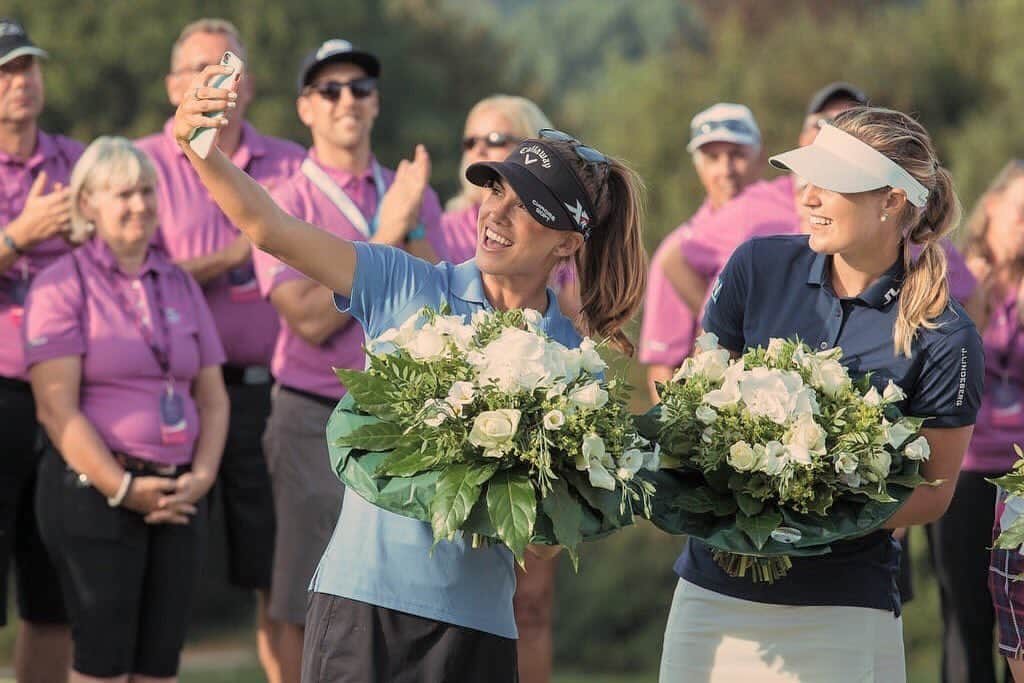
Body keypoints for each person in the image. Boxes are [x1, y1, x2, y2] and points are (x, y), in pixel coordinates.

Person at [171, 62, 646, 681]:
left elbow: (552, 529)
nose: (495, 212)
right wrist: (198, 149)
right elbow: (272, 230)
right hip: (362, 603)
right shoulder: (406, 285)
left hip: (480, 623)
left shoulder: (574, 361)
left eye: (526, 203)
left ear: (567, 242)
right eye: (495, 190)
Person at [659, 107, 984, 682]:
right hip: (713, 593)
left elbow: (933, 493)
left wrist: (812, 509)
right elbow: (696, 403)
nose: (806, 195)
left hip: (843, 604)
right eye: (806, 177)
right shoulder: (755, 266)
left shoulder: (947, 336)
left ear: (889, 200)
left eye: (831, 183)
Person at [248, 39, 444, 682]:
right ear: (305, 108)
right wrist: (387, 235)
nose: (346, 101)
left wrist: (409, 223)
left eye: (359, 87)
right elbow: (306, 318)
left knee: (402, 596)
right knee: (311, 597)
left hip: (404, 418)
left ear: (377, 102)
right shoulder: (283, 199)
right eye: (329, 90)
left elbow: (438, 307)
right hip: (312, 415)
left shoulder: (412, 190)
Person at [135, 19, 305, 682]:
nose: (218, 81)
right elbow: (137, 277)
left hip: (268, 391)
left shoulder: (291, 163)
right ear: (173, 85)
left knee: (278, 572)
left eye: (228, 67)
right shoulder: (143, 163)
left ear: (251, 85)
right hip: (168, 394)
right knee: (161, 564)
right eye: (202, 69)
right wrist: (238, 250)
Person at [25, 136, 229, 681]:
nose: (139, 205)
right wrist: (122, 488)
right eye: (122, 194)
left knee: (160, 666)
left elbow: (212, 395)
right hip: (96, 497)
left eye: (146, 191)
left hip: (180, 495)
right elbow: (55, 410)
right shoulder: (60, 284)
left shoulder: (180, 282)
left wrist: (202, 476)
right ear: (88, 203)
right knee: (102, 666)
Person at [0, 17, 82, 680]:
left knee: (52, 595)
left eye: (27, 66)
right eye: (5, 71)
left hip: (67, 395)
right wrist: (17, 235)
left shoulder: (75, 161)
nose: (20, 81)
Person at [931, 160, 1024, 683]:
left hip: (1022, 476)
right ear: (992, 209)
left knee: (1022, 625)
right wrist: (976, 303)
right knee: (965, 616)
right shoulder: (956, 274)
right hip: (963, 471)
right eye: (1022, 215)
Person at [640, 102, 764, 402]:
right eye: (712, 158)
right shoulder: (680, 251)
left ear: (759, 157)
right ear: (698, 166)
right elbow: (664, 367)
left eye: (737, 155)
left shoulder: (798, 224)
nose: (726, 170)